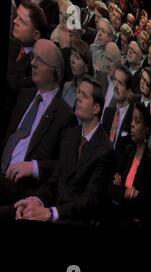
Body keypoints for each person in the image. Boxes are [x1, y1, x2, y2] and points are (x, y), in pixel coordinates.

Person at [13, 75, 116, 225]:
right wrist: (37, 201)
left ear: (96, 108)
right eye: (78, 93)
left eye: (84, 95)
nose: (78, 98)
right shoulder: (71, 135)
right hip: (55, 211)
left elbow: (89, 202)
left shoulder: (105, 151)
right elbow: (55, 180)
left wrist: (51, 213)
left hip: (75, 218)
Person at [0, 39, 77, 206]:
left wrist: (34, 167)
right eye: (33, 57)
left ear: (55, 73)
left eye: (40, 60)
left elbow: (64, 166)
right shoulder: (24, 95)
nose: (32, 63)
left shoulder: (65, 115)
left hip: (21, 187)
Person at [108, 102, 151, 231]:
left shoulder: (150, 162)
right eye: (132, 120)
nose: (131, 124)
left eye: (137, 121)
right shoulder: (127, 152)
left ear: (146, 130)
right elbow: (110, 188)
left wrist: (120, 192)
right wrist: (128, 192)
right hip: (115, 220)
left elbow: (140, 205)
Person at [101, 63, 134, 158]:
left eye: (120, 83)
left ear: (128, 93)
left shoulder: (133, 118)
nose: (115, 85)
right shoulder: (108, 112)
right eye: (115, 80)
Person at [62, 39, 94, 110]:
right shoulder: (67, 86)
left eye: (77, 57)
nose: (72, 60)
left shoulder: (92, 93)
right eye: (71, 54)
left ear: (86, 67)